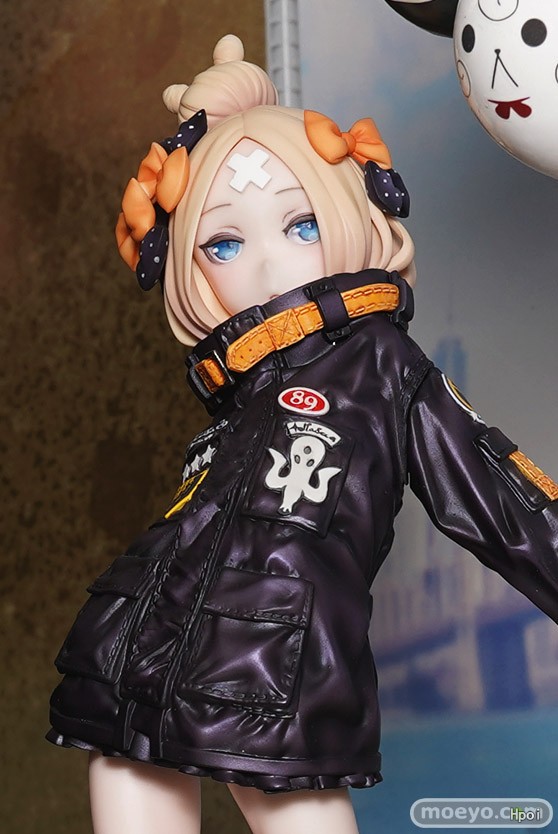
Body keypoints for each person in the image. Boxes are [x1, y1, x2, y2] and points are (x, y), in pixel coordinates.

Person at [47, 34, 558, 834]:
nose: (266, 266)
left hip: (275, 676)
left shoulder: (381, 361)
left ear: (347, 215)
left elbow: (495, 493)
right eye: (223, 243)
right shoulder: (240, 393)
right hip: (139, 656)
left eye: (300, 224)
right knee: (124, 770)